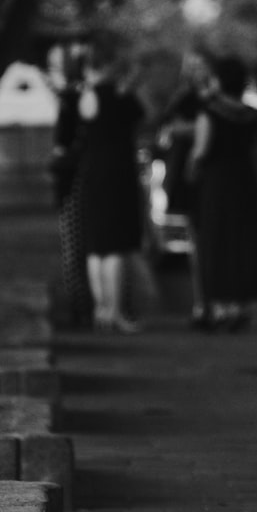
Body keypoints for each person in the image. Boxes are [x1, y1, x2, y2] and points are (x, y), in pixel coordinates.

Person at [187, 55, 257, 332]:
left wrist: (189, 173)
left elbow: (200, 151)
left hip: (216, 186)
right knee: (241, 244)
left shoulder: (210, 112)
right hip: (244, 184)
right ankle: (239, 306)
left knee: (216, 243)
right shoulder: (249, 114)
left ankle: (221, 308)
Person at [77, 41, 146, 333]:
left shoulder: (87, 97)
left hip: (92, 173)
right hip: (119, 173)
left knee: (96, 247)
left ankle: (101, 309)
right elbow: (142, 118)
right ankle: (116, 311)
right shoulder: (122, 96)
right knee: (116, 245)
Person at [156, 50, 214, 328]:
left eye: (199, 64)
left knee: (213, 242)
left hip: (214, 177)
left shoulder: (216, 97)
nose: (194, 70)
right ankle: (202, 303)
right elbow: (167, 130)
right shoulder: (183, 98)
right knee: (197, 244)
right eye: (190, 65)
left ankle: (216, 303)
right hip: (190, 180)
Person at [46, 41, 94, 329]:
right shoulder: (72, 99)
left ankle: (80, 306)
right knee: (78, 248)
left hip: (73, 181)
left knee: (74, 248)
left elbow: (66, 144)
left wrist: (60, 155)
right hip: (75, 180)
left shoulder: (71, 101)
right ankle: (82, 304)